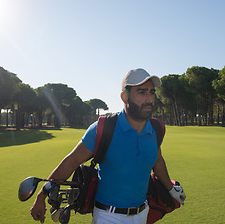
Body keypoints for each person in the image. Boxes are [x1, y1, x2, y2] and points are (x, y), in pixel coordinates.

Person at [30, 68, 186, 224]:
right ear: (124, 97)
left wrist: (171, 190)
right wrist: (41, 195)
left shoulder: (157, 129)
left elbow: (157, 160)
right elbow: (71, 161)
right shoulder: (103, 128)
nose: (149, 99)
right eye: (142, 92)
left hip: (143, 214)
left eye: (152, 92)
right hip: (108, 217)